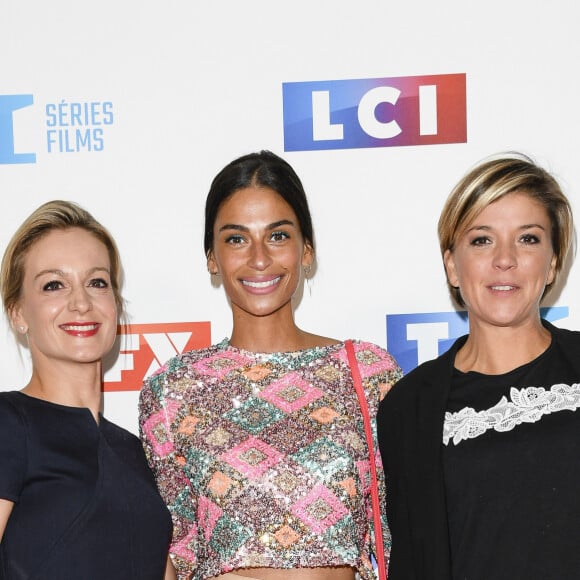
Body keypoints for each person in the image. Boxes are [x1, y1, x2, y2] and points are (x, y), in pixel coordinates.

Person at [139, 150, 403, 580]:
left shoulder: (369, 373)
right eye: (236, 238)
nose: (259, 258)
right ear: (212, 257)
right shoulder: (172, 391)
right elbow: (174, 548)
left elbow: (399, 531)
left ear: (306, 251)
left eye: (278, 236)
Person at [377, 153, 580, 579]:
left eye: (528, 239)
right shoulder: (408, 407)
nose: (504, 259)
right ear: (452, 264)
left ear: (554, 263)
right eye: (482, 240)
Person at [0, 200, 175, 579]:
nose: (80, 303)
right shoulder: (8, 424)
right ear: (17, 312)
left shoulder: (132, 450)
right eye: (54, 285)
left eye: (97, 282)